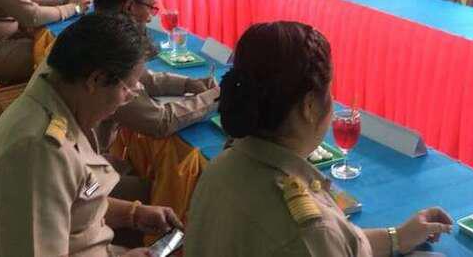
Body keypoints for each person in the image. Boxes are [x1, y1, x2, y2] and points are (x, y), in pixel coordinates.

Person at [185, 21, 453, 256]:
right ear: (310, 107)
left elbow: (342, 243)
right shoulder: (308, 231)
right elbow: (317, 241)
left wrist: (398, 237)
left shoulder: (220, 168)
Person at [0, 13, 181, 257]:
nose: (125, 101)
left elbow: (76, 202)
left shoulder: (54, 103)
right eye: (127, 90)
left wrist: (134, 214)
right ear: (95, 80)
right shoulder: (41, 153)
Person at [93, 0, 219, 222]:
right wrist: (215, 98)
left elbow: (140, 78)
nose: (152, 16)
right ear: (130, 7)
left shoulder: (94, 33)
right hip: (81, 180)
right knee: (178, 193)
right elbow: (159, 122)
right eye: (151, 7)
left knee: (147, 172)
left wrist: (187, 84)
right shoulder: (106, 54)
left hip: (87, 161)